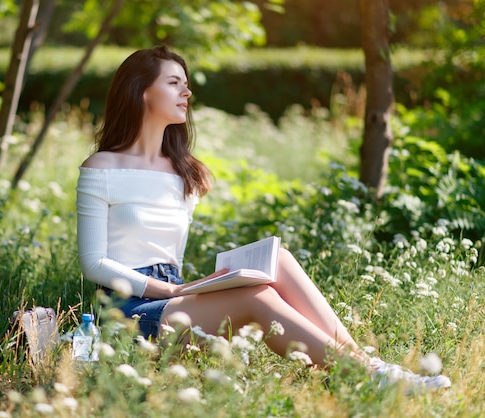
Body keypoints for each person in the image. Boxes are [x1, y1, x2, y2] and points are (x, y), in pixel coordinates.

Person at [75, 45, 451, 392]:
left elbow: (170, 264)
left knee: (279, 260)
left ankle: (369, 368)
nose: (187, 93)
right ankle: (366, 376)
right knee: (258, 297)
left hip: (176, 296)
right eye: (174, 84)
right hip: (126, 312)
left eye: (186, 85)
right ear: (142, 91)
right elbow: (93, 264)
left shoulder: (183, 172)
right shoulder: (102, 168)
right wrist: (170, 291)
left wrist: (193, 286)